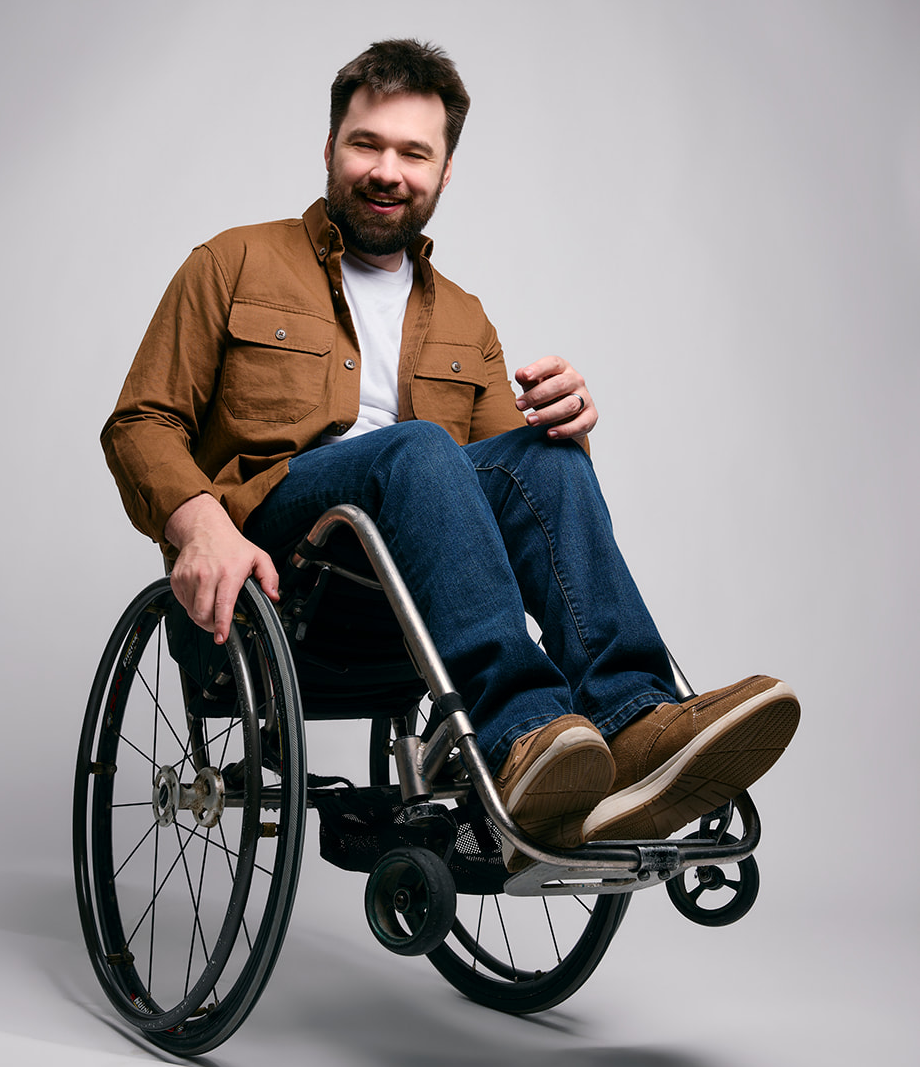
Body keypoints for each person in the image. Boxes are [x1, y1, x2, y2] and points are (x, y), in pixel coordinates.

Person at [102, 39, 799, 870]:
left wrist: (569, 427)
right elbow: (140, 421)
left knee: (543, 457)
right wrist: (198, 524)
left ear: (444, 170)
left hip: (415, 595)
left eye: (413, 153)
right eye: (366, 144)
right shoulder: (233, 261)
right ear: (328, 147)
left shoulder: (466, 320)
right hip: (283, 570)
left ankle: (633, 718)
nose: (386, 171)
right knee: (420, 446)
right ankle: (520, 731)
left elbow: (513, 488)